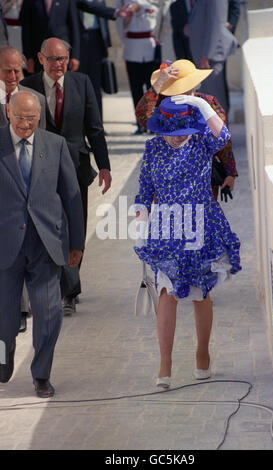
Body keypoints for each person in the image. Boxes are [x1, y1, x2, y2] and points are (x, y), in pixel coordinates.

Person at [134, 96, 241, 388]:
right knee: (167, 293)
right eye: (174, 129)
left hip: (201, 226)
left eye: (184, 128)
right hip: (167, 227)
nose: (179, 135)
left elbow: (224, 136)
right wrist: (141, 222)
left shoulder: (201, 142)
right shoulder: (153, 147)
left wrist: (201, 105)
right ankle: (165, 364)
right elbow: (144, 189)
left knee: (200, 294)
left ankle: (202, 353)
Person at [0, 90, 85, 397]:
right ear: (9, 113)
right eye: (21, 117)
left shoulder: (55, 144)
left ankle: (41, 375)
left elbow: (72, 196)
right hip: (5, 247)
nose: (26, 124)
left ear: (40, 116)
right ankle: (3, 355)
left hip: (46, 244)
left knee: (49, 315)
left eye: (32, 118)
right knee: (4, 319)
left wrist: (77, 243)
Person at [21, 37, 112, 316]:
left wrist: (105, 166)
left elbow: (94, 128)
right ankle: (60, 288)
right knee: (49, 227)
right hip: (40, 169)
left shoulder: (82, 83)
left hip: (75, 165)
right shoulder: (28, 87)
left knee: (75, 225)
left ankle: (69, 289)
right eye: (52, 59)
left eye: (62, 58)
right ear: (40, 59)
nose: (58, 64)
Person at [135, 59, 238, 200]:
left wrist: (230, 172)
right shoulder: (163, 104)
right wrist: (159, 83)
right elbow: (142, 116)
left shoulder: (207, 103)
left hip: (201, 180)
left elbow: (222, 138)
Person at [0, 45, 47, 332]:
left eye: (18, 70)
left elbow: (47, 144)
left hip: (29, 189)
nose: (14, 76)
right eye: (8, 70)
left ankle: (20, 311)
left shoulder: (34, 100)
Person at [76, 0, 134, 120]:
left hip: (96, 40)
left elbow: (102, 17)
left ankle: (97, 124)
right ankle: (80, 126)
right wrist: (117, 12)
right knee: (78, 86)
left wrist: (106, 44)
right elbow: (86, 6)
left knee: (95, 85)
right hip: (78, 40)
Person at [115, 0, 160, 134]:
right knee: (136, 89)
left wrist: (139, 5)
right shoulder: (122, 2)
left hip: (150, 48)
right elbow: (119, 25)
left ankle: (153, 122)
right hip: (132, 48)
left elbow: (157, 15)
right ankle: (141, 122)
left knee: (152, 88)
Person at [187, 0, 238, 115]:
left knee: (214, 101)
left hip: (210, 58)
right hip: (203, 55)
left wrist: (207, 55)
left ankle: (220, 132)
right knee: (206, 100)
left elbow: (216, 24)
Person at [19, 0, 80, 74]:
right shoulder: (30, 1)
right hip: (39, 54)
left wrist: (75, 56)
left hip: (62, 54)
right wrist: (28, 57)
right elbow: (26, 30)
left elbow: (74, 28)